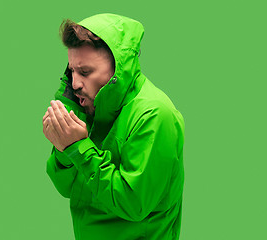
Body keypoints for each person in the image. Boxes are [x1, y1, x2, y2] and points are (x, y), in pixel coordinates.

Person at [42, 13, 185, 240]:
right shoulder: (90, 107)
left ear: (117, 70)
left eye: (86, 72)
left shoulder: (155, 115)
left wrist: (78, 147)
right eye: (72, 71)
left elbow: (134, 204)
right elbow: (67, 188)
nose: (76, 83)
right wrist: (64, 146)